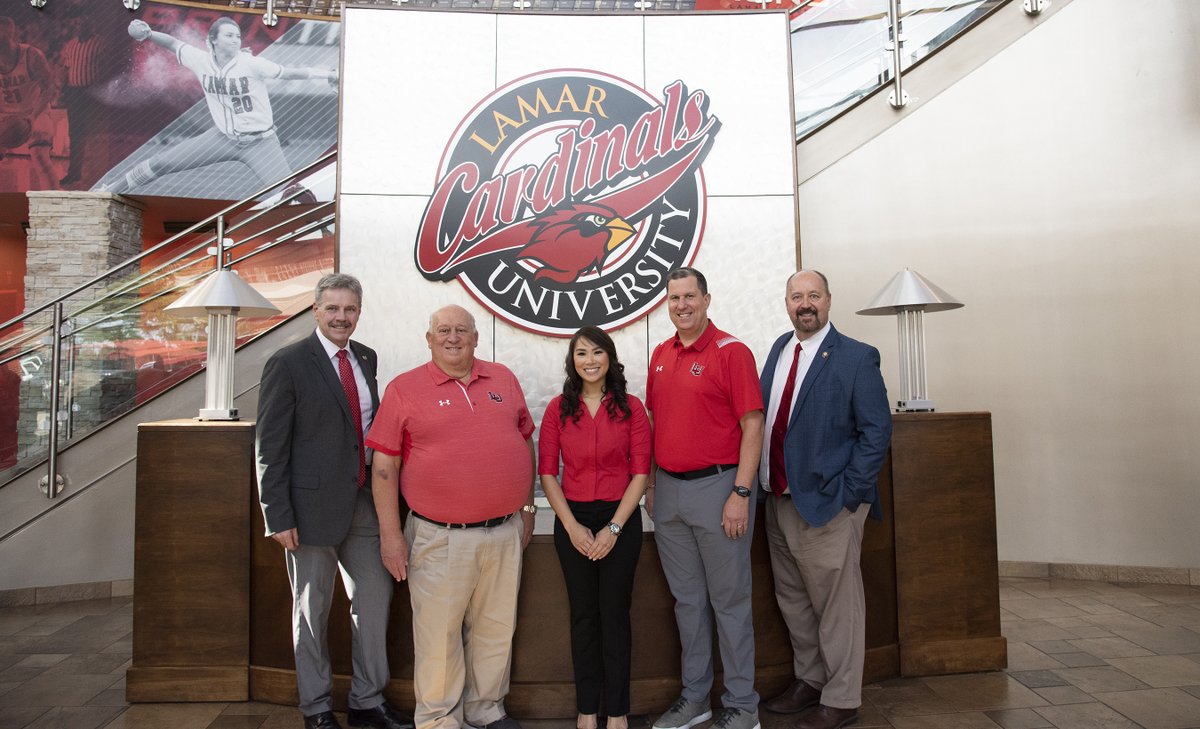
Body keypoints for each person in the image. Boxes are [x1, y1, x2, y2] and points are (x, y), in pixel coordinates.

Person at [366, 305, 537, 729]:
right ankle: (440, 718)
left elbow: (525, 440)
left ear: (476, 338)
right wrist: (391, 534)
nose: (453, 337)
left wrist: (529, 507)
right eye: (443, 330)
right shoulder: (404, 388)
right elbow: (384, 468)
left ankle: (486, 709)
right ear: (428, 339)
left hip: (504, 531)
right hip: (439, 536)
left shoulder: (503, 379)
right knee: (438, 637)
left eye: (462, 330)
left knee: (496, 629)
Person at [256, 273, 412, 729]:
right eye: (332, 309)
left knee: (375, 599)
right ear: (315, 310)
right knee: (312, 610)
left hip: (365, 503)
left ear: (359, 313)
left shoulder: (366, 357)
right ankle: (317, 708)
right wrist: (277, 513)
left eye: (350, 309)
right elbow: (269, 446)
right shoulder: (287, 363)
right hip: (308, 513)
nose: (341, 317)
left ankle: (368, 700)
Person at [757, 270, 891, 729]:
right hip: (778, 500)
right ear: (787, 302)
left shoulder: (856, 357)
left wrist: (849, 496)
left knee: (838, 606)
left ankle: (843, 697)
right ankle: (811, 680)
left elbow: (876, 433)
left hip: (827, 503)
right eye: (797, 296)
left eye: (813, 295)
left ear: (829, 300)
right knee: (793, 600)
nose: (805, 303)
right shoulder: (778, 349)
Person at [644, 267, 764, 729]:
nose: (682, 306)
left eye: (689, 297)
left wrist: (741, 492)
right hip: (670, 492)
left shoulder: (732, 352)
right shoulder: (660, 355)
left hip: (720, 488)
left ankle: (742, 704)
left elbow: (752, 423)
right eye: (674, 299)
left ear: (707, 299)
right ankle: (695, 698)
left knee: (729, 601)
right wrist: (653, 485)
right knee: (687, 602)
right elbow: (655, 423)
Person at [538, 326, 651, 729]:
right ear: (572, 361)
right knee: (583, 617)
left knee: (615, 616)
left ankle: (617, 713)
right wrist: (571, 527)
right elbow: (548, 473)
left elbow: (641, 472)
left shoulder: (632, 408)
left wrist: (614, 530)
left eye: (597, 353)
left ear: (610, 358)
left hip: (620, 520)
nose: (589, 360)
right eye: (581, 353)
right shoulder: (557, 409)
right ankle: (587, 711)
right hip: (573, 523)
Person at [107, 16, 336, 193]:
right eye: (229, 36)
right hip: (221, 137)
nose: (236, 40)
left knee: (288, 193)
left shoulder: (250, 63)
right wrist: (147, 34)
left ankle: (317, 232)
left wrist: (325, 74)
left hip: (260, 143)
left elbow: (289, 73)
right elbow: (174, 44)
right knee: (161, 163)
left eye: (237, 36)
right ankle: (110, 191)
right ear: (213, 40)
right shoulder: (201, 60)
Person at [0, 15, 56, 190]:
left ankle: (53, 201)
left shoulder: (31, 55)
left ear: (10, 32)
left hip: (35, 110)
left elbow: (49, 88)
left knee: (40, 156)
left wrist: (32, 117)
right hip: (6, 114)